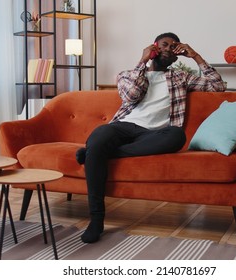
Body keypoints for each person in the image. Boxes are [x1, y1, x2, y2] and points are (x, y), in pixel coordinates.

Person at [76, 32, 226, 243]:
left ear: (176, 55)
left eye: (174, 47)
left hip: (155, 134)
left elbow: (217, 86)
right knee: (100, 133)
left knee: (176, 136)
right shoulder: (127, 74)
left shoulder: (181, 77)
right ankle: (97, 219)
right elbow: (132, 95)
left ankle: (95, 154)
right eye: (164, 44)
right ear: (154, 47)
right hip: (124, 126)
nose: (168, 48)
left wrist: (196, 56)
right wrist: (142, 60)